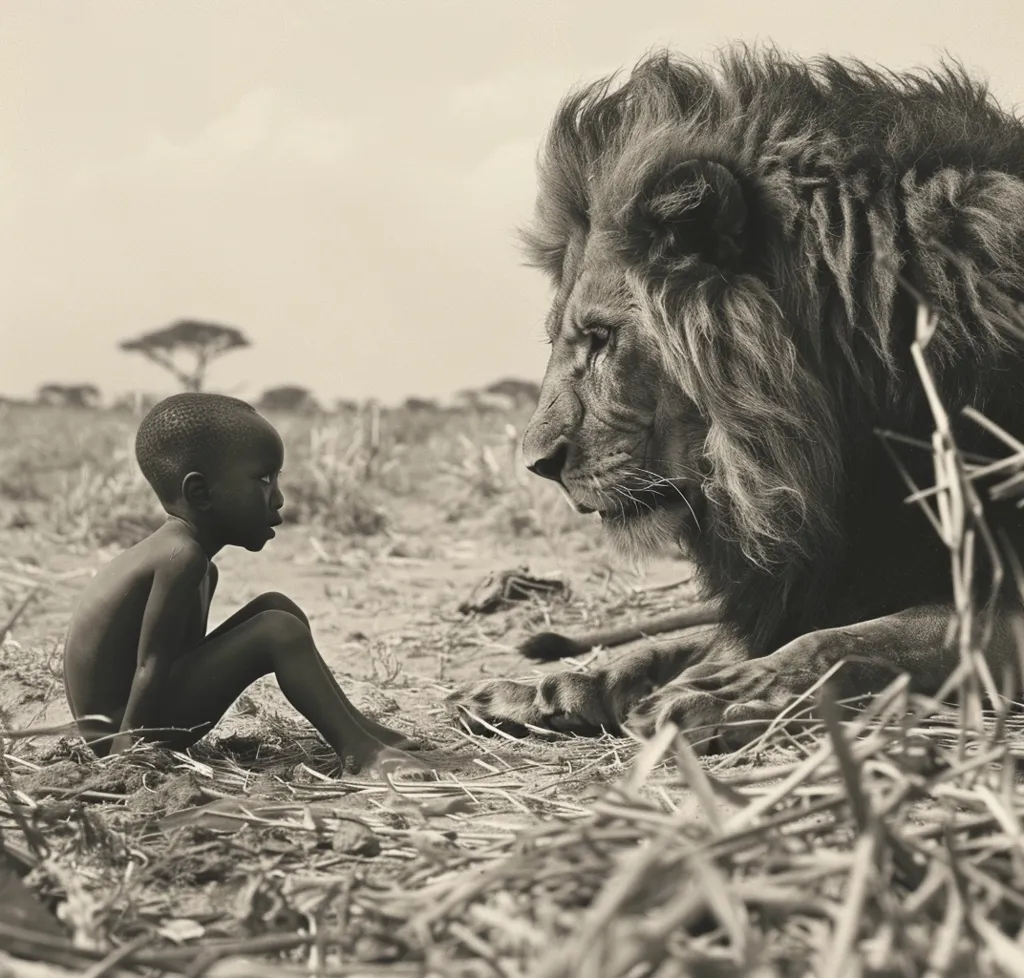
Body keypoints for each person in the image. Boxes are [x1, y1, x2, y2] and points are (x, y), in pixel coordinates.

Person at [62, 392, 426, 773]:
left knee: (276, 606)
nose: (279, 498)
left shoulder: (197, 563)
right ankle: (361, 755)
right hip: (124, 734)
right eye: (263, 480)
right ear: (200, 493)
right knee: (277, 630)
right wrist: (127, 758)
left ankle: (360, 730)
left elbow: (176, 659)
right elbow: (149, 666)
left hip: (140, 719)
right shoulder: (179, 559)